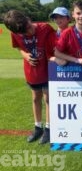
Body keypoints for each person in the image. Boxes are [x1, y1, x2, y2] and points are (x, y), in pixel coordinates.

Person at [3, 10, 56, 144]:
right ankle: (38, 127)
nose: (29, 32)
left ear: (28, 19)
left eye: (29, 27)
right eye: (25, 33)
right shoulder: (14, 34)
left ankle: (49, 129)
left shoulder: (45, 28)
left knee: (48, 98)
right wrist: (25, 55)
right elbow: (18, 48)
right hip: (32, 72)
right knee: (35, 98)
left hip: (47, 70)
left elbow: (55, 47)